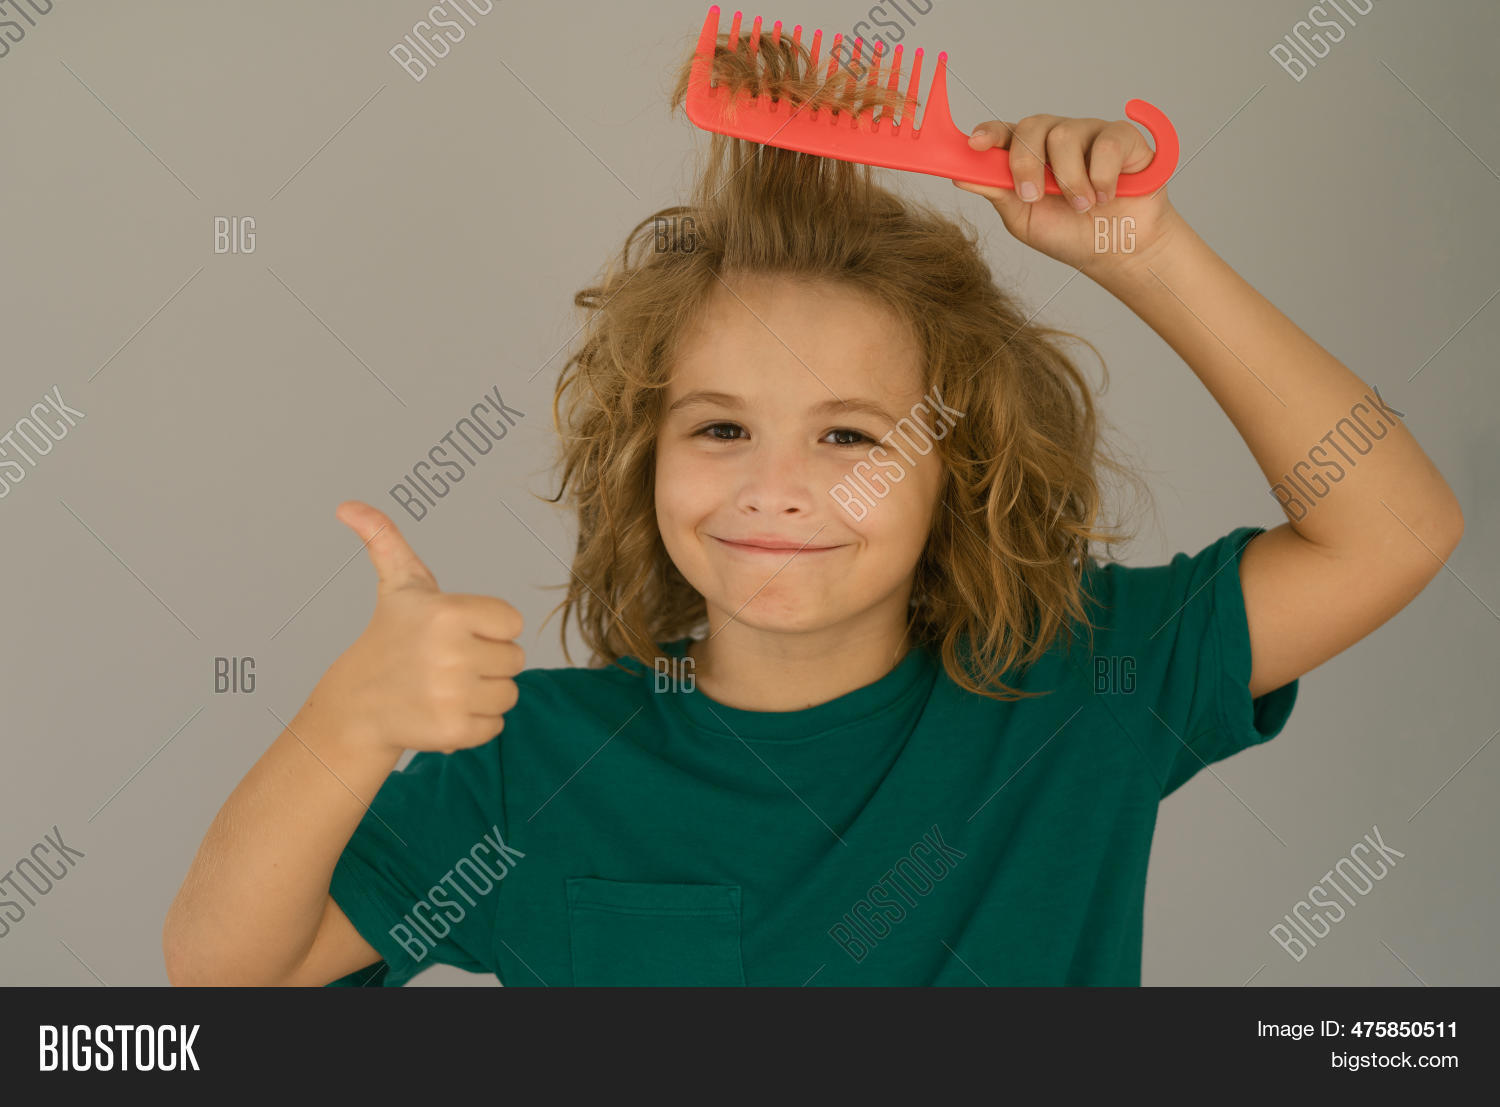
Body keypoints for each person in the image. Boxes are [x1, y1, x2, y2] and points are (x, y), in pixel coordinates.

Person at [162, 31, 1463, 987]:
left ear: (960, 470)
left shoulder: (1084, 690)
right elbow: (227, 987)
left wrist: (1148, 253)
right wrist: (344, 727)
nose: (774, 486)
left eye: (849, 436)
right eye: (719, 427)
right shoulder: (535, 769)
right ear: (644, 460)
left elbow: (1394, 530)